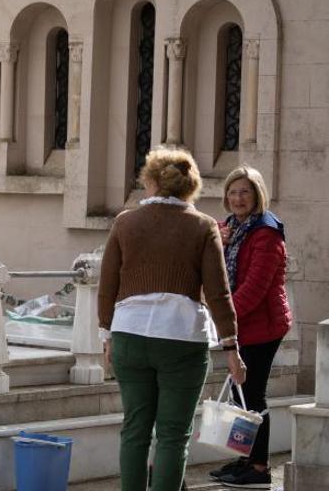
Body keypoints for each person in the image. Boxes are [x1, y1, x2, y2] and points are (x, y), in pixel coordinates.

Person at [98, 147, 246, 491]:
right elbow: (218, 292)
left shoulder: (125, 222)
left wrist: (106, 334)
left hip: (130, 334)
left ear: (150, 180)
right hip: (182, 337)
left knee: (135, 429)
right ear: (190, 186)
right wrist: (231, 347)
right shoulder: (203, 226)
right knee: (173, 435)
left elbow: (107, 286)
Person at [210, 166, 291, 489]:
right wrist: (218, 238)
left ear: (257, 195)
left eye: (245, 191)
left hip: (264, 325)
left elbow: (255, 288)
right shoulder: (231, 227)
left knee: (253, 394)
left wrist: (223, 317)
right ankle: (245, 459)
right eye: (232, 192)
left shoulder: (266, 233)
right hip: (242, 324)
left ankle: (259, 468)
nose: (238, 198)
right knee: (240, 395)